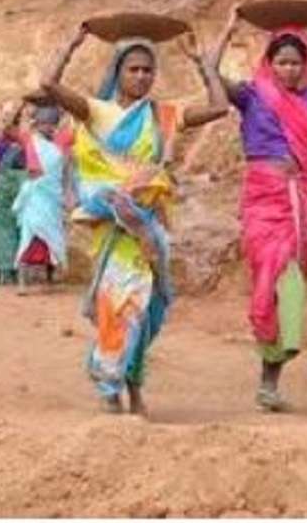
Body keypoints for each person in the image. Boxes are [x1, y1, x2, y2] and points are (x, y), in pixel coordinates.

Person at [42, 23, 228, 416]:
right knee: (120, 305)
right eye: (134, 69)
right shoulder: (97, 111)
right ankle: (110, 386)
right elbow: (48, 84)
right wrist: (71, 44)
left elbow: (218, 108)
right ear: (118, 72)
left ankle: (134, 385)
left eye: (148, 70)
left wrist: (204, 65)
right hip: (113, 224)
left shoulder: (162, 114)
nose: (142, 76)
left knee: (144, 311)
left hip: (148, 227)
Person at [205, 6, 307, 411]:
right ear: (270, 63)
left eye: (296, 62)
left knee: (290, 288)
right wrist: (229, 28)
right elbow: (209, 71)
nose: (289, 69)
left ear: (306, 64)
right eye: (281, 62)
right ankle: (269, 374)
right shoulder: (251, 95)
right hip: (264, 200)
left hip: (303, 201)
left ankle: (271, 380)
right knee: (272, 278)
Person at [9, 103, 78, 295]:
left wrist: (67, 108)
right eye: (43, 123)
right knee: (29, 235)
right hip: (35, 195)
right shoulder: (29, 139)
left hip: (53, 197)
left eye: (51, 123)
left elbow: (80, 128)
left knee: (52, 236)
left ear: (56, 124)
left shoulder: (62, 141)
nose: (47, 127)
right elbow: (9, 127)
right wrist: (21, 106)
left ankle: (49, 279)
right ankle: (22, 283)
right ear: (36, 124)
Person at [0, 101, 27, 284]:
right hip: (20, 187)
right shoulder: (25, 143)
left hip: (3, 187)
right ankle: (15, 270)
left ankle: (3, 270)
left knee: (2, 228)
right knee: (18, 227)